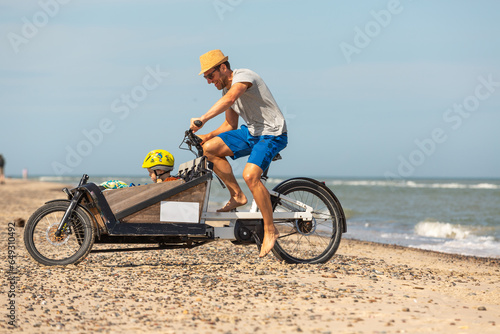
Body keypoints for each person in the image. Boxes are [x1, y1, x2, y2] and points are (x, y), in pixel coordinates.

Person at [190, 49, 288, 258]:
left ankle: (271, 230)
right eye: (206, 77)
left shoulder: (244, 76)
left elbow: (232, 97)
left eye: (210, 75)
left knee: (250, 176)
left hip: (272, 133)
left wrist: (203, 119)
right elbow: (229, 124)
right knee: (210, 149)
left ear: (223, 68)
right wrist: (206, 136)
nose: (209, 81)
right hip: (253, 132)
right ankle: (237, 195)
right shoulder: (225, 92)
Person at [100, 149, 178, 189]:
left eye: (151, 172)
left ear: (161, 171)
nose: (149, 175)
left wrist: (160, 186)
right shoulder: (164, 182)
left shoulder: (169, 183)